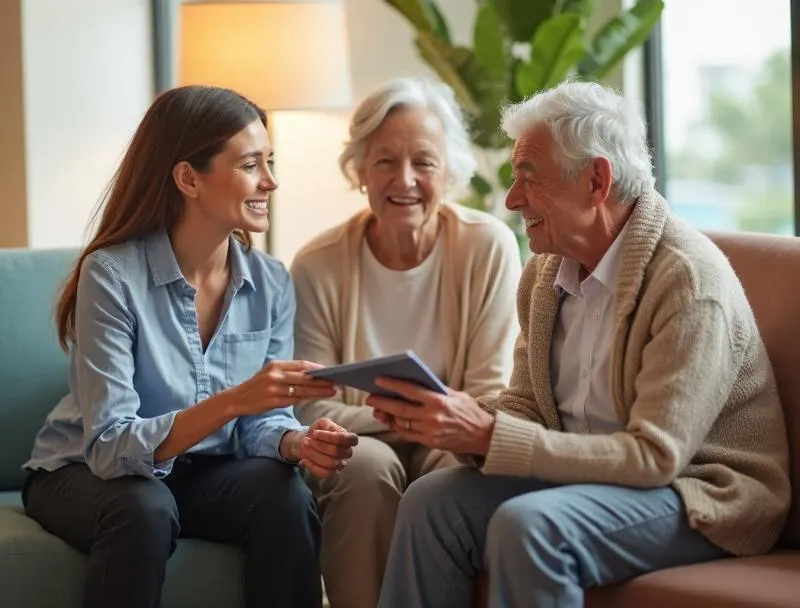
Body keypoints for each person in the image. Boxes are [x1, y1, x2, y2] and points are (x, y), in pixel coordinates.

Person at [368, 81, 792, 608]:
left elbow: (655, 457)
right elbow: (526, 408)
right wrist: (450, 421)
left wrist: (488, 433)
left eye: (529, 178)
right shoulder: (545, 275)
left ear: (596, 180)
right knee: (432, 501)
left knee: (531, 527)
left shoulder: (687, 280)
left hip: (698, 490)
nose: (511, 199)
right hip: (594, 478)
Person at [22, 85, 359, 608]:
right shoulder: (112, 275)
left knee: (284, 494)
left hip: (202, 472)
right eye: (251, 165)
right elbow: (110, 449)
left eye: (269, 162)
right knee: (144, 508)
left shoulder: (270, 282)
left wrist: (297, 442)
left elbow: (263, 424)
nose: (270, 181)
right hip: (84, 473)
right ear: (188, 178)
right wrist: (235, 399)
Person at [290, 77, 522, 608]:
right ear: (359, 170)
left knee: (454, 472)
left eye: (424, 161)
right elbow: (311, 402)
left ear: (450, 170)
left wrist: (435, 423)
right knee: (363, 469)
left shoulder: (488, 246)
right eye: (385, 161)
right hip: (360, 444)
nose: (406, 180)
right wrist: (408, 417)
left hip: (452, 439)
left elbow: (491, 392)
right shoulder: (317, 263)